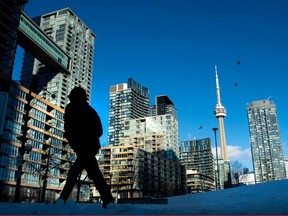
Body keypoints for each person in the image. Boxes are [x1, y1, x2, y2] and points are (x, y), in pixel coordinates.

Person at [55, 87, 114, 208]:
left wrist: (84, 138)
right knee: (94, 174)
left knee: (75, 173)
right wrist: (77, 141)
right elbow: (69, 130)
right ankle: (109, 201)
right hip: (84, 147)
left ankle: (62, 200)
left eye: (73, 98)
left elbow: (98, 131)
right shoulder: (75, 109)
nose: (71, 100)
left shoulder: (87, 111)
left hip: (87, 147)